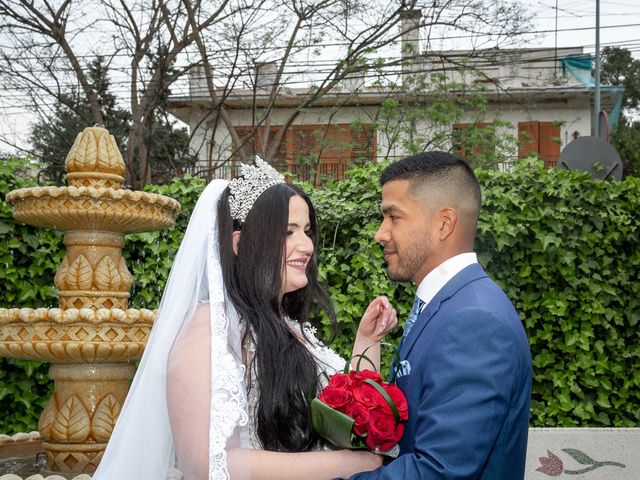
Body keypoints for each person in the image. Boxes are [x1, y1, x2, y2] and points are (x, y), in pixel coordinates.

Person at [93, 158, 397, 480]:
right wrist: (344, 466)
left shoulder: (287, 325)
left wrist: (367, 342)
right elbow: (205, 464)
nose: (306, 246)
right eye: (288, 232)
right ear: (240, 243)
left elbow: (349, 419)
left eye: (306, 232)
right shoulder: (210, 330)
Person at [348, 151, 532, 479]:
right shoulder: (449, 304)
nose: (380, 233)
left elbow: (437, 471)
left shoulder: (475, 321)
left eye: (394, 217)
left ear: (444, 223)